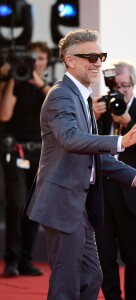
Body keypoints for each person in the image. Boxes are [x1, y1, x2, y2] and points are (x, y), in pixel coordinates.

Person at [23, 28, 136, 300]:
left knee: (91, 276)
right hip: (63, 204)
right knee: (66, 285)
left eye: (101, 55)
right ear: (70, 60)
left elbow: (92, 155)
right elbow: (71, 139)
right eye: (91, 56)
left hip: (80, 207)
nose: (98, 62)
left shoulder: (82, 97)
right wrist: (121, 142)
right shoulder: (61, 95)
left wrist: (134, 177)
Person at [93, 60, 136, 300]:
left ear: (133, 84)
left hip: (131, 194)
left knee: (132, 256)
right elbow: (84, 145)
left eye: (125, 85)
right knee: (105, 255)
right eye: (116, 86)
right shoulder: (100, 110)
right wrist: (90, 115)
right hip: (101, 193)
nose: (121, 91)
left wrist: (128, 123)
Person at [0, 42, 52, 277]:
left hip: (41, 155)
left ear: (46, 62)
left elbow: (58, 106)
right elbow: (4, 114)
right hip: (17, 152)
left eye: (40, 59)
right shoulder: (14, 84)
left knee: (34, 207)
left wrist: (38, 82)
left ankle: (26, 260)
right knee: (16, 204)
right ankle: (11, 260)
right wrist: (13, 77)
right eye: (31, 58)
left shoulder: (50, 88)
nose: (35, 63)